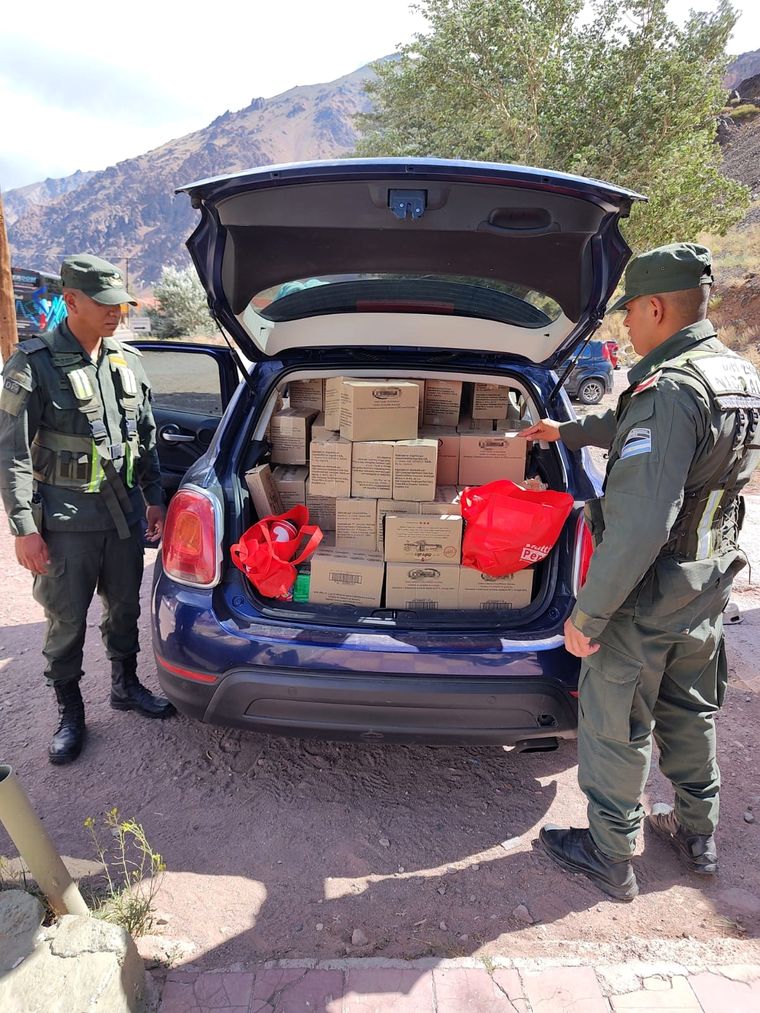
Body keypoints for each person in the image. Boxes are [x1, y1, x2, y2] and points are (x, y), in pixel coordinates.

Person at [520, 243, 760, 901]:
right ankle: (696, 832)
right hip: (706, 583)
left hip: (649, 588)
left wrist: (588, 613)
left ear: (657, 307)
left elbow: (642, 522)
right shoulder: (732, 374)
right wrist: (563, 433)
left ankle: (607, 852)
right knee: (690, 708)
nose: (625, 324)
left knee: (617, 717)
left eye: (631, 312)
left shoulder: (671, 388)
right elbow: (640, 430)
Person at [0, 254, 174, 767]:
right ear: (70, 301)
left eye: (120, 304)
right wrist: (24, 528)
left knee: (123, 609)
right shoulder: (32, 363)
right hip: (65, 524)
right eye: (103, 304)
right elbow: (10, 452)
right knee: (66, 620)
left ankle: (125, 686)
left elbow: (145, 437)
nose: (115, 313)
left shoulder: (127, 359)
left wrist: (155, 497)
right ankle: (70, 712)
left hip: (121, 520)